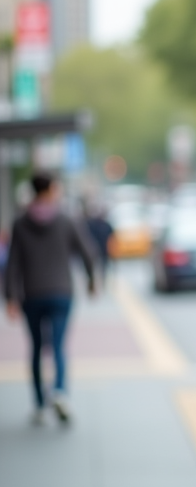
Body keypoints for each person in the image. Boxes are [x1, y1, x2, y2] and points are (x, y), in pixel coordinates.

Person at [4, 171, 97, 424]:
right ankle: (59, 391)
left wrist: (10, 297)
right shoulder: (66, 219)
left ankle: (38, 403)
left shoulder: (20, 222)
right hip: (61, 292)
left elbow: (13, 263)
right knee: (57, 345)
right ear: (51, 190)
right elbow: (87, 252)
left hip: (31, 294)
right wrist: (92, 280)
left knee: (36, 348)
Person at [83, 201, 114, 287]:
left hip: (103, 250)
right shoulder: (93, 224)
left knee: (103, 267)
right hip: (96, 250)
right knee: (97, 267)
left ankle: (101, 282)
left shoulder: (106, 225)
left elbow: (112, 238)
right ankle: (96, 281)